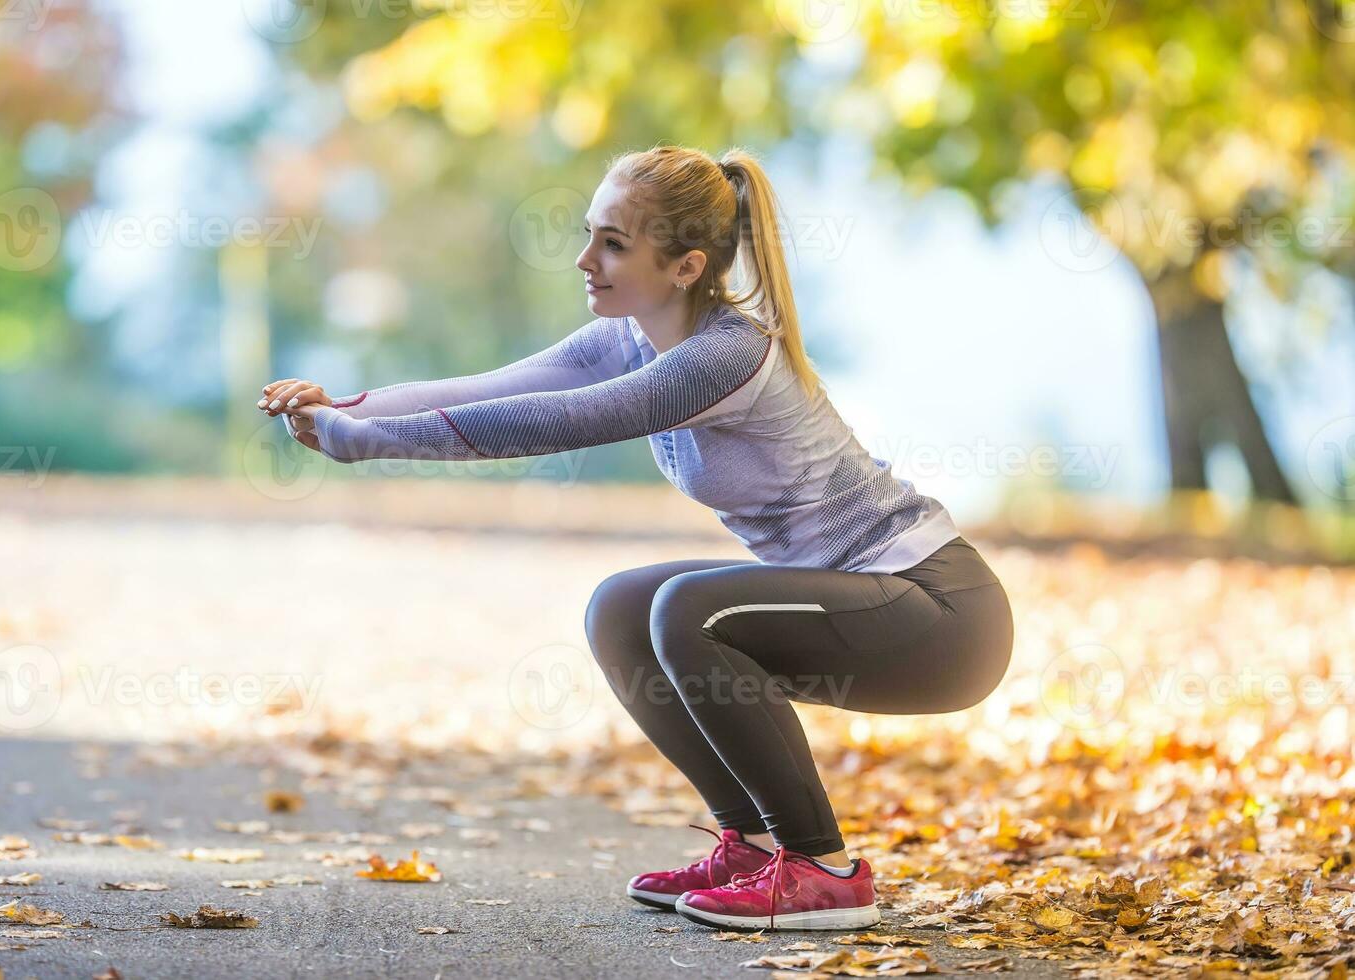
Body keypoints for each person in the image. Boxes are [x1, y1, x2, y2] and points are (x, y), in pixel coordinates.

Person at [257, 144, 1014, 932]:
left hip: (940, 616)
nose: (586, 259)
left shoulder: (722, 356)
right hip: (870, 604)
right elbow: (492, 389)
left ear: (686, 267)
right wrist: (347, 407)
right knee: (621, 607)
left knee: (687, 610)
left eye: (613, 243)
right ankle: (752, 847)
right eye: (590, 234)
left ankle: (822, 868)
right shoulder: (631, 336)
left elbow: (556, 421)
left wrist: (361, 442)